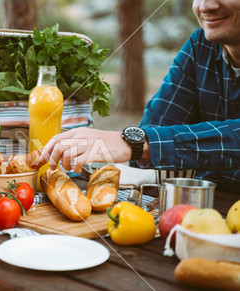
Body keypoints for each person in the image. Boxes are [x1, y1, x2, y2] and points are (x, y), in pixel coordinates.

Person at [41, 0, 240, 193]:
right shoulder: (200, 45)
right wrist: (141, 145)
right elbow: (155, 130)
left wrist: (137, 144)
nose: (205, 6)